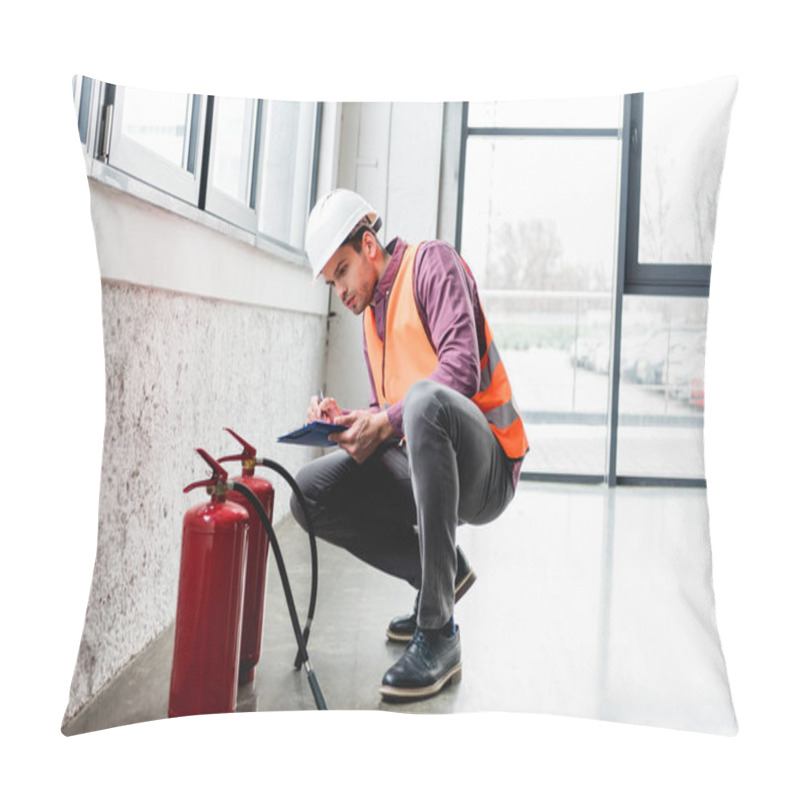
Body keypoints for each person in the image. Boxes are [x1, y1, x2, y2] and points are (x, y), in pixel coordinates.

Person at [291, 188, 529, 701]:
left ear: (370, 246)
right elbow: (397, 421)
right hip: (431, 463)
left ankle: (439, 631)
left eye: (341, 272)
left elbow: (460, 370)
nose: (340, 291)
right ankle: (440, 575)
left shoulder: (431, 264)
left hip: (487, 468)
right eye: (332, 282)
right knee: (308, 493)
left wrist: (390, 418)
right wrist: (353, 422)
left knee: (424, 400)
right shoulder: (371, 321)